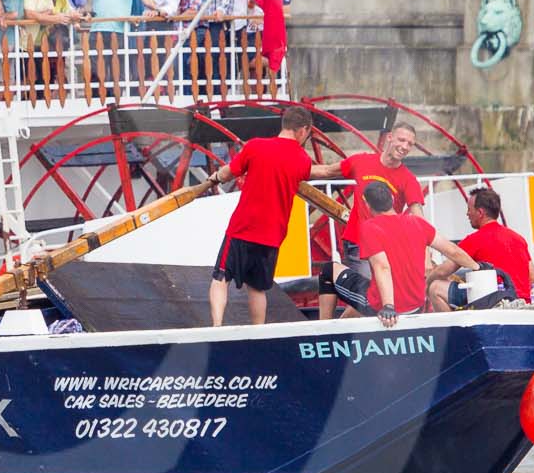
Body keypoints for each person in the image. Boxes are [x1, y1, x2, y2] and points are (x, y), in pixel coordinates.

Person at [201, 107, 317, 327]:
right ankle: (258, 332)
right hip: (272, 235)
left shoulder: (255, 146)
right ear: (303, 130)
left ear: (284, 124)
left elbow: (228, 173)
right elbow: (305, 173)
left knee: (221, 277)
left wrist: (215, 177)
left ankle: (216, 327)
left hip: (243, 227)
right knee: (257, 287)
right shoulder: (303, 160)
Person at [309, 125, 426, 319]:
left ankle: (338, 332)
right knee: (370, 299)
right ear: (389, 137)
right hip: (358, 243)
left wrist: (425, 260)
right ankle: (333, 335)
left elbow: (419, 220)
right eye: (401, 140)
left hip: (385, 248)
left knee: (370, 300)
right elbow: (327, 171)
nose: (405, 146)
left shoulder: (408, 179)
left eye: (410, 144)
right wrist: (288, 169)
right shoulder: (362, 161)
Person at [336, 182, 476, 326]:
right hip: (415, 306)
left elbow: (382, 268)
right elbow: (452, 250)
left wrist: (388, 306)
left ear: (368, 205)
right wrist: (477, 267)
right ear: (391, 199)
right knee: (363, 297)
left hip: (385, 308)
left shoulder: (369, 228)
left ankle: (321, 333)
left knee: (330, 271)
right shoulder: (417, 223)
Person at [430, 186, 533, 310]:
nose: (467, 214)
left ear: (480, 213)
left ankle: (454, 329)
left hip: (494, 302)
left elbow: (443, 271)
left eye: (469, 209)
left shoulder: (475, 239)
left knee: (435, 288)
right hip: (521, 303)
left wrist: (427, 281)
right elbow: (533, 277)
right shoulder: (519, 239)